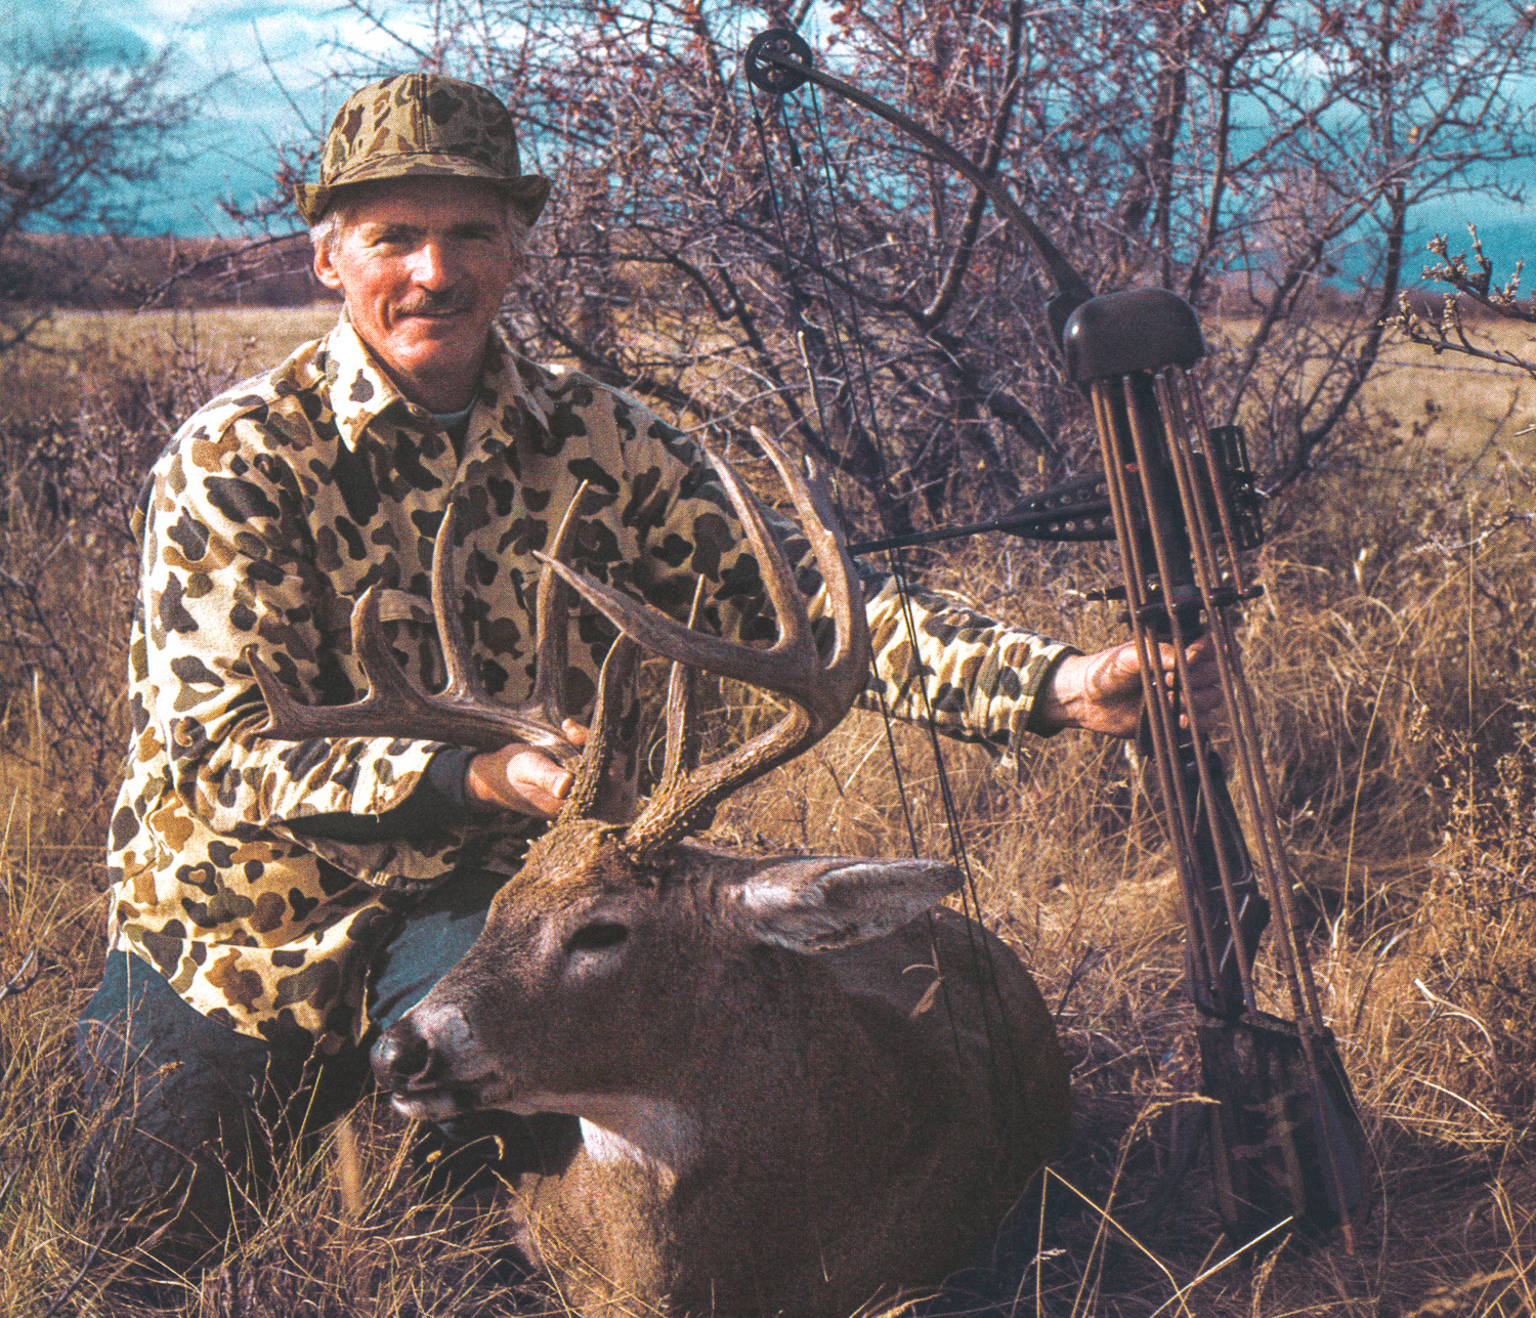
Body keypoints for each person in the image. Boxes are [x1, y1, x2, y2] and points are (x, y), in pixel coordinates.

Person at [76, 70, 1217, 1246]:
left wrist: (1054, 684)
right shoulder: (236, 460)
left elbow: (815, 609)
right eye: (395, 237)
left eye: (472, 231)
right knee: (132, 1239)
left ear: (518, 248)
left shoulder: (600, 437)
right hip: (241, 921)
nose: (435, 271)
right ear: (330, 258)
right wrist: (475, 777)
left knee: (484, 1253)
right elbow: (221, 757)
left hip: (494, 909)